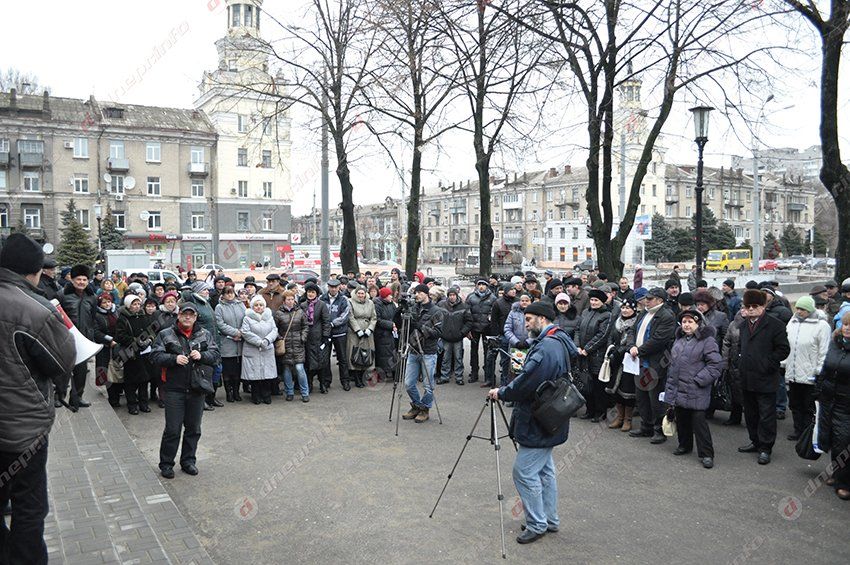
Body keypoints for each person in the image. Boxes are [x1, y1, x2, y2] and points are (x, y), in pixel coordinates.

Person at [0, 233, 77, 564]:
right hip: (23, 431)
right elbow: (63, 363)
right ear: (34, 272)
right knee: (29, 507)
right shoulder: (35, 309)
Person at [487, 301, 572, 545]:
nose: (526, 325)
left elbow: (527, 382)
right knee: (544, 472)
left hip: (539, 418)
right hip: (552, 417)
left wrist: (502, 392)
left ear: (542, 319)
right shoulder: (558, 340)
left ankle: (537, 523)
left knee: (524, 473)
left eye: (529, 320)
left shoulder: (546, 347)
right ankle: (549, 519)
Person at [150, 303, 220, 479]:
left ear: (196, 317)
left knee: (193, 428)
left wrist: (202, 356)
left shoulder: (205, 334)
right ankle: (166, 464)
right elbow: (155, 356)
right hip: (174, 389)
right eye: (184, 314)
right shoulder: (165, 334)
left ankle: (188, 461)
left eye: (191, 315)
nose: (187, 317)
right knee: (173, 429)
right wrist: (173, 359)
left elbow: (216, 355)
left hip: (197, 388)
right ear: (178, 315)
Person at [736, 289, 791, 465]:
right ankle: (755, 441)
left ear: (763, 306)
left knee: (766, 415)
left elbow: (783, 349)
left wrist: (768, 362)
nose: (751, 309)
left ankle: (766, 447)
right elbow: (740, 347)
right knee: (751, 414)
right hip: (747, 376)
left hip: (766, 377)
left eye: (755, 306)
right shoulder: (743, 325)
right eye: (748, 306)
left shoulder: (775, 325)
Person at [664, 310, 723, 469]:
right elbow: (673, 365)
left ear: (698, 323)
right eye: (684, 322)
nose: (687, 325)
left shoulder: (707, 341)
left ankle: (706, 454)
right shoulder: (679, 340)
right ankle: (684, 445)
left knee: (699, 423)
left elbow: (716, 365)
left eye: (690, 322)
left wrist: (699, 380)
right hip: (679, 388)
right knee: (681, 419)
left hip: (696, 389)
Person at [629, 287, 677, 443]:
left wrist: (639, 350)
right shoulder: (644, 313)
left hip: (655, 363)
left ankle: (659, 430)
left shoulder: (666, 316)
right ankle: (646, 426)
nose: (646, 301)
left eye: (650, 299)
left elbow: (659, 340)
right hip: (639, 362)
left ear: (660, 300)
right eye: (646, 298)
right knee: (641, 397)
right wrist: (631, 346)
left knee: (655, 398)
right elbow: (632, 330)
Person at [783, 296, 830, 441]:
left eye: (802, 309)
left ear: (809, 309)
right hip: (793, 371)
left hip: (810, 373)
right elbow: (787, 345)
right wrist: (784, 363)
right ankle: (798, 430)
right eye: (797, 308)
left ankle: (808, 433)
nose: (799, 311)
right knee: (795, 404)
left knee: (809, 405)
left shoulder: (822, 326)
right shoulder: (793, 322)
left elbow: (824, 351)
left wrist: (819, 370)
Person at [815, 311, 850, 500]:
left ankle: (844, 482)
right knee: (832, 438)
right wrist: (818, 389)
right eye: (845, 324)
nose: (847, 328)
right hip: (829, 399)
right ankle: (837, 473)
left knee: (844, 440)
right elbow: (826, 369)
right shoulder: (836, 345)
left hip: (846, 403)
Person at [402, 284, 444, 424]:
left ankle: (425, 408)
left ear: (426, 294)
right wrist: (400, 313)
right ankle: (417, 405)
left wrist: (421, 327)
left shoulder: (436, 311)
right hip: (413, 349)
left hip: (429, 351)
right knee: (408, 383)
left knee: (428, 384)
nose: (417, 295)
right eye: (415, 293)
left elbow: (438, 333)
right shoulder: (413, 308)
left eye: (419, 292)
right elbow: (405, 327)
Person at [59, 264, 97, 409]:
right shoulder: (62, 295)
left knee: (81, 372)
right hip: (66, 340)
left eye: (84, 279)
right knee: (63, 371)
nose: (81, 282)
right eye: (78, 279)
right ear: (72, 280)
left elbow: (93, 318)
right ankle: (59, 396)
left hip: (83, 340)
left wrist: (90, 335)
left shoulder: (92, 297)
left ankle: (77, 398)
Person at [115, 295, 156, 415]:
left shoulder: (143, 316)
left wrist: (149, 339)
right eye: (134, 304)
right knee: (131, 381)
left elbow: (151, 330)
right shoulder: (123, 318)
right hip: (131, 353)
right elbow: (120, 336)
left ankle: (144, 403)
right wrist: (136, 341)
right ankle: (132, 405)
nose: (137, 306)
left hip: (144, 353)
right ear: (128, 305)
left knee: (144, 379)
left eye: (138, 304)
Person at [183, 282, 222, 410]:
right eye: (204, 290)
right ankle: (203, 400)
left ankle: (211, 397)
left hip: (214, 341)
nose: (207, 292)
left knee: (217, 371)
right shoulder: (195, 305)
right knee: (205, 373)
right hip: (202, 343)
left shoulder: (206, 303)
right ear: (198, 291)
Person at [575, 288, 612, 422]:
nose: (593, 302)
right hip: (583, 353)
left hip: (597, 355)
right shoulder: (585, 312)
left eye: (596, 300)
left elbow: (602, 335)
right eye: (591, 300)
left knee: (598, 386)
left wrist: (587, 349)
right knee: (586, 383)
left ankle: (600, 412)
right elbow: (578, 330)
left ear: (602, 302)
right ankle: (589, 409)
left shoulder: (606, 315)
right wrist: (577, 346)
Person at [605, 298, 639, 432]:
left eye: (628, 308)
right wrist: (610, 348)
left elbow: (633, 341)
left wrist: (621, 350)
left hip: (629, 359)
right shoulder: (617, 321)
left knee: (627, 391)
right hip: (615, 359)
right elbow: (610, 337)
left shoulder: (636, 323)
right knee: (615, 390)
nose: (624, 310)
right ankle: (619, 417)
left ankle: (627, 420)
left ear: (634, 309)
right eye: (623, 307)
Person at [240, 296, 279, 404]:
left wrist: (267, 340)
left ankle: (266, 395)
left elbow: (274, 330)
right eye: (256, 305)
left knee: (267, 374)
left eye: (261, 305)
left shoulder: (269, 317)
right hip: (253, 348)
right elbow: (245, 332)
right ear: (252, 307)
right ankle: (256, 396)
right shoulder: (247, 318)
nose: (259, 307)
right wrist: (259, 342)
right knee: (255, 375)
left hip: (267, 348)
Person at [274, 290, 310, 402]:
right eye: (288, 299)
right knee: (287, 369)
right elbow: (274, 328)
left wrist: (303, 337)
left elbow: (305, 326)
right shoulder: (278, 314)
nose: (290, 301)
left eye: (292, 299)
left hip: (298, 344)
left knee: (299, 368)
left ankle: (305, 393)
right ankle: (289, 392)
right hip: (286, 345)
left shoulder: (300, 312)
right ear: (284, 301)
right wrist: (279, 338)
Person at [215, 285, 246, 402]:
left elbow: (246, 320)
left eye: (231, 292)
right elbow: (220, 324)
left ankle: (237, 392)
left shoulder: (241, 305)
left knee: (238, 371)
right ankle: (229, 393)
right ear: (223, 295)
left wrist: (242, 333)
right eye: (227, 293)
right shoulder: (219, 307)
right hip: (227, 342)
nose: (230, 295)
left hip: (240, 343)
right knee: (228, 371)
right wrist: (235, 333)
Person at [321, 278, 352, 390]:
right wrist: (326, 325)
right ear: (328, 287)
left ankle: (345, 381)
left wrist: (332, 324)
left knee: (342, 358)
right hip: (326, 333)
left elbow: (345, 314)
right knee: (325, 358)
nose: (333, 289)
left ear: (339, 287)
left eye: (335, 287)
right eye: (331, 287)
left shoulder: (344, 299)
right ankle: (326, 381)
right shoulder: (322, 298)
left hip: (340, 333)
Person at [301, 282, 332, 393]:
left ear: (317, 293)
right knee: (309, 363)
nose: (310, 294)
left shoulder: (321, 305)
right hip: (307, 338)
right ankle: (309, 384)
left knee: (322, 362)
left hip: (319, 337)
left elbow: (326, 321)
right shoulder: (303, 305)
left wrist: (325, 335)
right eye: (309, 292)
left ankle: (323, 384)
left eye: (313, 292)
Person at [437, 286, 471, 385]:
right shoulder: (441, 305)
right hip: (445, 336)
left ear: (457, 295)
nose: (452, 297)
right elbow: (436, 318)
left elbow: (469, 321)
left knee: (458, 358)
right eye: (450, 295)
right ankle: (444, 376)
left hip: (458, 337)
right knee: (445, 358)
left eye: (453, 295)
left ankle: (459, 377)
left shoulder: (464, 306)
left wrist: (462, 332)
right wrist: (440, 331)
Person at [465, 279, 497, 384]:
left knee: (488, 352)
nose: (482, 286)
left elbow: (494, 313)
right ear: (477, 286)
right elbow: (466, 313)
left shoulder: (493, 298)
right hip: (474, 328)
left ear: (487, 286)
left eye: (484, 284)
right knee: (473, 352)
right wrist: (467, 329)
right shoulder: (471, 297)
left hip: (487, 329)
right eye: (480, 284)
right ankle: (474, 372)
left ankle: (488, 374)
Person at [93, 292, 122, 407]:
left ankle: (119, 391)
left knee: (118, 369)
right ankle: (112, 397)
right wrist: (109, 340)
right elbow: (96, 332)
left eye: (108, 301)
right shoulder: (97, 315)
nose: (107, 304)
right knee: (107, 371)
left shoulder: (117, 312)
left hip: (118, 345)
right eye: (104, 302)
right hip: (105, 347)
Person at [347, 286, 377, 388]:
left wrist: (370, 328)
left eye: (362, 293)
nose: (360, 295)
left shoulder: (370, 303)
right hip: (355, 332)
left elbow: (374, 317)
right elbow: (350, 316)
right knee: (355, 353)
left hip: (367, 330)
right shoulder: (350, 302)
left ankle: (364, 376)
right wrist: (357, 330)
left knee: (367, 353)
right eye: (359, 293)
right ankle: (356, 378)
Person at [373, 287, 398, 383]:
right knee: (382, 355)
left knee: (392, 354)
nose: (391, 296)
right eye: (389, 295)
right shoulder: (377, 305)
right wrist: (391, 324)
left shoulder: (392, 304)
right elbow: (378, 320)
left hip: (391, 333)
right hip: (382, 334)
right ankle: (381, 375)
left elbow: (395, 316)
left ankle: (392, 372)